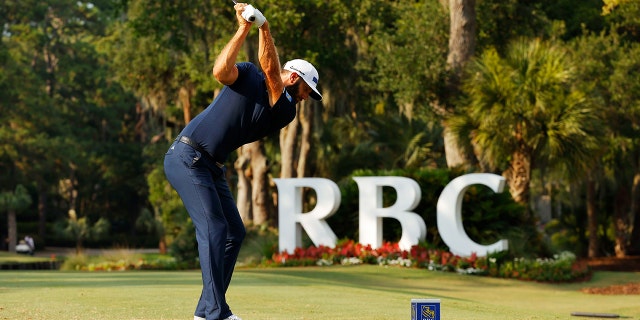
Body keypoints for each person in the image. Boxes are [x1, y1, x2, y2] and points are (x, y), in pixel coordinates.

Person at [163, 3, 322, 320]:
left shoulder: (286, 108)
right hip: (187, 156)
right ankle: (215, 312)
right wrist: (245, 27)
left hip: (211, 166)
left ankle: (207, 310)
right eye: (307, 88)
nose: (307, 96)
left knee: (234, 231)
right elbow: (220, 71)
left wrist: (265, 26)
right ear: (295, 78)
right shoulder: (248, 72)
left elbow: (271, 74)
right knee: (216, 228)